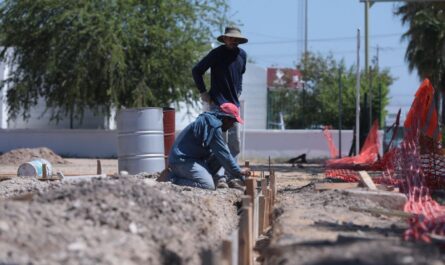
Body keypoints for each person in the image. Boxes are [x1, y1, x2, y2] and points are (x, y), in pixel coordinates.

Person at [192, 26, 248, 166]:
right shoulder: (216, 53)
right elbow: (197, 71)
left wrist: (239, 90)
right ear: (224, 39)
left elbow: (240, 76)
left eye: (236, 38)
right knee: (220, 141)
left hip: (234, 106)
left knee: (235, 143)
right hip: (217, 104)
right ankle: (219, 176)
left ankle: (232, 175)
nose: (233, 40)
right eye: (230, 38)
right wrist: (203, 92)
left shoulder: (242, 55)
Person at [166, 103, 250, 190]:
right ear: (226, 119)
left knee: (224, 149)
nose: (232, 126)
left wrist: (240, 176)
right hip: (182, 161)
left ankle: (215, 179)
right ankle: (173, 179)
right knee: (207, 186)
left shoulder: (212, 121)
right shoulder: (213, 126)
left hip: (194, 159)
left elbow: (223, 154)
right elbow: (225, 156)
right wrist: (239, 172)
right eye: (232, 122)